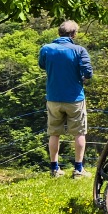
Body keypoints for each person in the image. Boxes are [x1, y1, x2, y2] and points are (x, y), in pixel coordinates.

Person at [38, 20, 93, 179]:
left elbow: (42, 65)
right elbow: (88, 72)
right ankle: (78, 169)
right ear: (73, 34)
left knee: (54, 133)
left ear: (59, 33)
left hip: (53, 97)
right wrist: (81, 77)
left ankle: (55, 169)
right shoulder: (79, 50)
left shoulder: (46, 49)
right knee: (79, 133)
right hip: (75, 98)